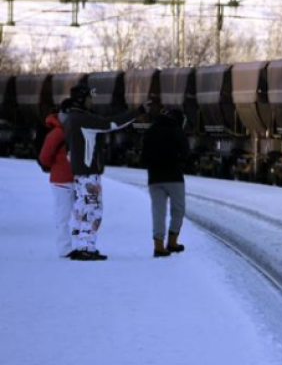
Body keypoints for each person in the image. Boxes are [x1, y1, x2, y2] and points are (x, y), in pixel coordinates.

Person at [63, 83, 147, 262]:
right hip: (89, 174)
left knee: (80, 209)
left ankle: (78, 246)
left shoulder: (71, 118)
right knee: (93, 211)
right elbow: (111, 124)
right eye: (89, 98)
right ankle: (87, 248)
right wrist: (137, 112)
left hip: (79, 173)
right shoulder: (83, 119)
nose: (91, 101)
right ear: (81, 100)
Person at [141, 108, 189, 258]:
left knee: (158, 213)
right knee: (178, 210)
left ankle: (159, 247)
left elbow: (143, 157)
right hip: (174, 178)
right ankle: (172, 242)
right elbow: (186, 152)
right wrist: (180, 163)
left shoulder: (150, 131)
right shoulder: (176, 130)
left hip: (155, 179)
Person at [37, 99, 75, 258]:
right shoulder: (57, 134)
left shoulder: (64, 131)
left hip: (71, 179)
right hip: (62, 181)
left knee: (72, 215)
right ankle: (64, 249)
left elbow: (45, 159)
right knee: (63, 215)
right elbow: (44, 158)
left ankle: (76, 246)